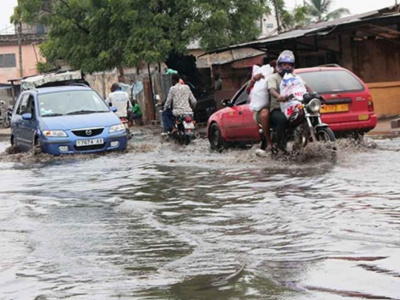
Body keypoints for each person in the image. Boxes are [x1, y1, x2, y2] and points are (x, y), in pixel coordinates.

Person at [267, 50, 313, 151]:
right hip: (278, 109)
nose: (287, 66)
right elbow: (271, 89)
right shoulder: (273, 78)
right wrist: (279, 96)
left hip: (294, 106)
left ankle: (301, 142)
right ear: (279, 65)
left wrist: (315, 95)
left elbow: (305, 86)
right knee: (282, 120)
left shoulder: (296, 77)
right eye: (284, 64)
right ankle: (281, 149)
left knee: (308, 115)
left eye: (289, 64)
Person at [247, 59, 277, 153]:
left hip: (280, 108)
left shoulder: (288, 76)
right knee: (264, 114)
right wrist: (253, 80)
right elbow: (247, 90)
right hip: (263, 110)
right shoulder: (264, 77)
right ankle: (269, 142)